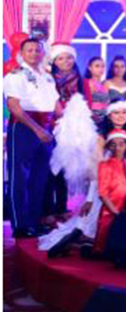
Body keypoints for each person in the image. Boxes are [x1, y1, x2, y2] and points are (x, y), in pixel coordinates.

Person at [3, 38, 62, 238]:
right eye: (30, 50)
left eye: (38, 50)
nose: (34, 53)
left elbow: (56, 107)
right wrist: (37, 130)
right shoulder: (15, 76)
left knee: (39, 179)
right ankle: (20, 225)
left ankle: (34, 222)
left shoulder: (47, 77)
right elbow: (14, 107)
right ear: (22, 53)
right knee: (20, 178)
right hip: (24, 128)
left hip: (46, 129)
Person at [93, 129, 126, 254]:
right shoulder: (105, 165)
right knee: (104, 250)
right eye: (114, 144)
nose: (118, 147)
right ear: (109, 147)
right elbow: (102, 193)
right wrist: (116, 213)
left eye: (121, 144)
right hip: (111, 211)